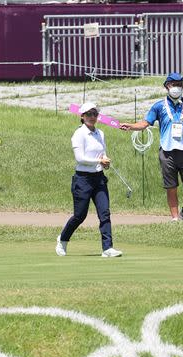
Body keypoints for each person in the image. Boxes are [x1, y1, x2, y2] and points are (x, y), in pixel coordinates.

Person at [121, 73, 183, 222]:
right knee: (171, 187)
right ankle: (175, 218)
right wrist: (131, 126)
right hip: (167, 152)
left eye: (179, 84)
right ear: (167, 86)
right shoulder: (159, 106)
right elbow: (145, 124)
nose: (176, 87)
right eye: (173, 84)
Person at [56, 101, 122, 258]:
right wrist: (99, 161)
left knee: (104, 213)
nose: (92, 117)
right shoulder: (79, 134)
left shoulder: (101, 133)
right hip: (82, 179)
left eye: (95, 114)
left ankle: (107, 248)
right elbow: (80, 158)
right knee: (80, 215)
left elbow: (102, 153)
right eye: (89, 114)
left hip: (99, 178)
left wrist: (105, 162)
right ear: (82, 116)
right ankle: (63, 239)